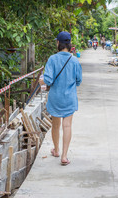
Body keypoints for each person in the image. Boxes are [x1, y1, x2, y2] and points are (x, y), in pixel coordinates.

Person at [39, 31, 82, 166]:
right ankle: (64, 156)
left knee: (56, 125)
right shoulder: (74, 60)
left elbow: (48, 80)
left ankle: (56, 150)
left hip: (55, 98)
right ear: (69, 44)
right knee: (67, 125)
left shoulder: (52, 59)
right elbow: (79, 81)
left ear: (58, 43)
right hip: (69, 98)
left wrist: (41, 81)